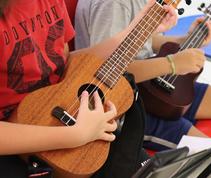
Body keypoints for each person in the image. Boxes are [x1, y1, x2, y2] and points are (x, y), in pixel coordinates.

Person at [0, 0, 177, 174]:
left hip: (67, 112)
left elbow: (65, 63)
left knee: (154, 170)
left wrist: (135, 31)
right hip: (15, 140)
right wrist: (74, 136)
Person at [75, 0, 211, 151]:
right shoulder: (114, 5)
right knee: (209, 152)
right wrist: (171, 64)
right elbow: (107, 70)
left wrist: (186, 40)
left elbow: (146, 42)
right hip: (121, 102)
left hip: (151, 82)